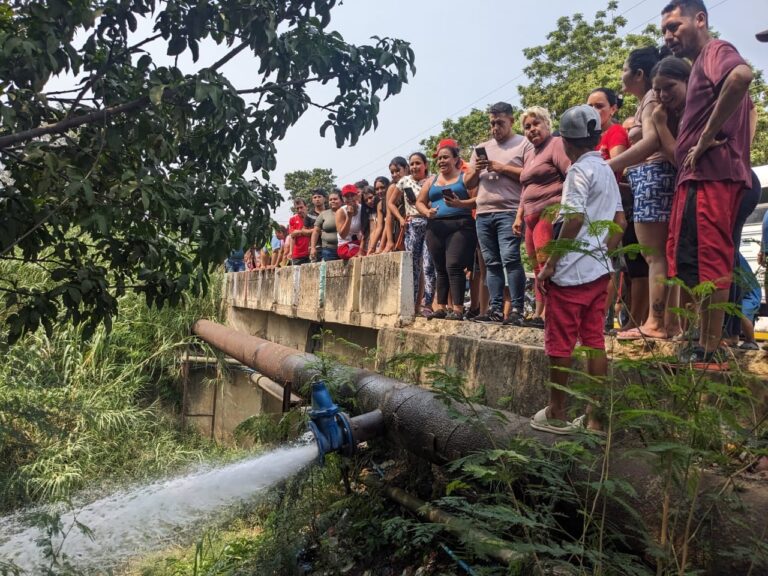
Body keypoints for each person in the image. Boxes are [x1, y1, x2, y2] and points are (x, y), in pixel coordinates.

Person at [661, 0, 753, 368]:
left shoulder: (716, 51)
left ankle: (710, 349)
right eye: (664, 30)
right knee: (692, 262)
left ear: (700, 20)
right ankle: (702, 340)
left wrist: (705, 138)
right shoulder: (699, 63)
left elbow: (741, 77)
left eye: (675, 26)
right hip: (697, 177)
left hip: (713, 175)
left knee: (711, 260)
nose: (669, 36)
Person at [530, 105, 626, 435]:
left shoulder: (577, 173)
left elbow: (572, 218)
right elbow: (619, 223)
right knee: (593, 343)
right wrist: (600, 256)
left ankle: (556, 413)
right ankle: (595, 419)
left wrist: (551, 264)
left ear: (567, 143)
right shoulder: (605, 170)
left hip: (570, 275)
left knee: (560, 345)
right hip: (598, 273)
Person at [607, 47, 681, 341]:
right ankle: (668, 323)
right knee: (661, 256)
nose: (621, 76)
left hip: (654, 175)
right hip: (651, 177)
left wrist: (610, 165)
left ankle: (655, 322)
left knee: (654, 256)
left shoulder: (651, 97)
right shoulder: (647, 100)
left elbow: (651, 142)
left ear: (639, 74)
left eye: (625, 69)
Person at [465, 102, 533, 326]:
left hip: (510, 210)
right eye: (492, 123)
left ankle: (516, 308)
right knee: (491, 263)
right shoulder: (481, 148)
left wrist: (501, 167)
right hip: (484, 212)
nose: (495, 127)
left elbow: (530, 175)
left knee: (511, 259)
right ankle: (495, 308)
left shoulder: (524, 143)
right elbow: (468, 182)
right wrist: (478, 168)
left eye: (500, 123)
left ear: (512, 121)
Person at [587, 87, 643, 332]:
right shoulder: (590, 138)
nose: (594, 111)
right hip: (592, 208)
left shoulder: (616, 132)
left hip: (613, 207)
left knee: (609, 264)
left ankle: (602, 320)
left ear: (613, 109)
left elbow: (616, 169)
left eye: (600, 106)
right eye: (590, 106)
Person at [517, 107, 571, 327]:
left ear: (548, 123)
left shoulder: (556, 144)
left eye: (536, 123)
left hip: (549, 211)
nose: (532, 129)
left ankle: (551, 310)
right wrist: (518, 216)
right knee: (536, 267)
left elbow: (570, 173)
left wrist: (564, 205)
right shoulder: (530, 154)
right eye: (527, 127)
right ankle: (539, 311)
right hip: (530, 216)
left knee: (546, 263)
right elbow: (525, 187)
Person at [416, 140, 477, 321]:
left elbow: (477, 199)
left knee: (454, 265)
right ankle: (441, 307)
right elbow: (419, 201)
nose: (442, 161)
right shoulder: (431, 180)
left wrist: (459, 203)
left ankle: (458, 309)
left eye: (446, 157)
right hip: (435, 226)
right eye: (439, 158)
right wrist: (427, 211)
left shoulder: (464, 177)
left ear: (456, 159)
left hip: (460, 224)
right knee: (439, 267)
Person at [392, 152, 435, 315]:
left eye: (418, 163)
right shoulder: (404, 181)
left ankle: (428, 304)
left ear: (425, 165)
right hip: (412, 225)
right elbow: (391, 203)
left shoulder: (432, 180)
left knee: (428, 265)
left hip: (430, 223)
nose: (415, 167)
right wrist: (400, 219)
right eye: (412, 164)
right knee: (413, 267)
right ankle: (412, 306)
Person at [382, 157, 410, 253]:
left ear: (406, 168)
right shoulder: (393, 188)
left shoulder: (414, 182)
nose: (394, 175)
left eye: (397, 171)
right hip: (401, 226)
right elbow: (389, 216)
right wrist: (389, 241)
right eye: (392, 172)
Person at [311, 190, 342, 262]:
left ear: (341, 200)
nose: (332, 201)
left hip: (345, 248)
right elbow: (316, 231)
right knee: (329, 272)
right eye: (330, 200)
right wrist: (313, 248)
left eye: (335, 199)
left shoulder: (347, 212)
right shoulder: (324, 214)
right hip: (328, 250)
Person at [336, 184, 364, 259]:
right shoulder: (341, 212)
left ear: (357, 196)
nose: (350, 198)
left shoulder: (362, 209)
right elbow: (343, 235)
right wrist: (349, 217)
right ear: (343, 199)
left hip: (359, 243)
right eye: (347, 196)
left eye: (352, 195)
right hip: (345, 245)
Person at [366, 177, 390, 254]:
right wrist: (372, 247)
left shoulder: (393, 200)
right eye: (377, 189)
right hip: (385, 238)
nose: (380, 191)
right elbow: (379, 227)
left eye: (382, 188)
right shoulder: (379, 205)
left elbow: (388, 223)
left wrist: (382, 246)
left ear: (388, 187)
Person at [288, 198, 313, 265]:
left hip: (310, 253)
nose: (299, 210)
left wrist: (298, 232)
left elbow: (316, 232)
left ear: (306, 207)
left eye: (301, 207)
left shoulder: (312, 218)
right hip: (297, 254)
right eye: (297, 208)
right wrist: (291, 252)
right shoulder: (292, 219)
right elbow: (292, 235)